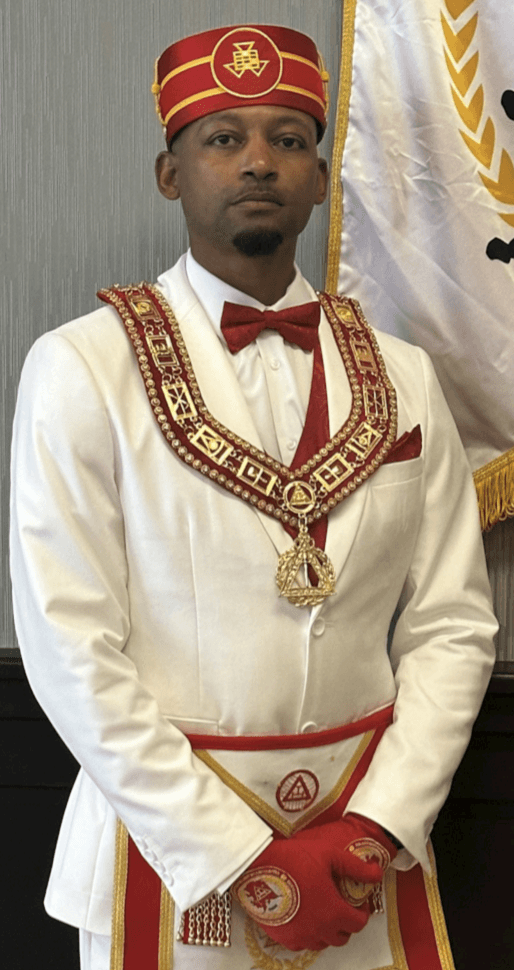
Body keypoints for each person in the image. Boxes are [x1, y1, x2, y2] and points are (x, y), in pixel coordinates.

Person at [10, 23, 497, 970]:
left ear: (321, 177)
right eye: (223, 138)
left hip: (365, 851)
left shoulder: (405, 374)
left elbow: (453, 624)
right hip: (167, 853)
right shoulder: (81, 368)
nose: (260, 161)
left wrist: (377, 827)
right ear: (170, 173)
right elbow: (69, 644)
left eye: (289, 138)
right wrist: (233, 854)